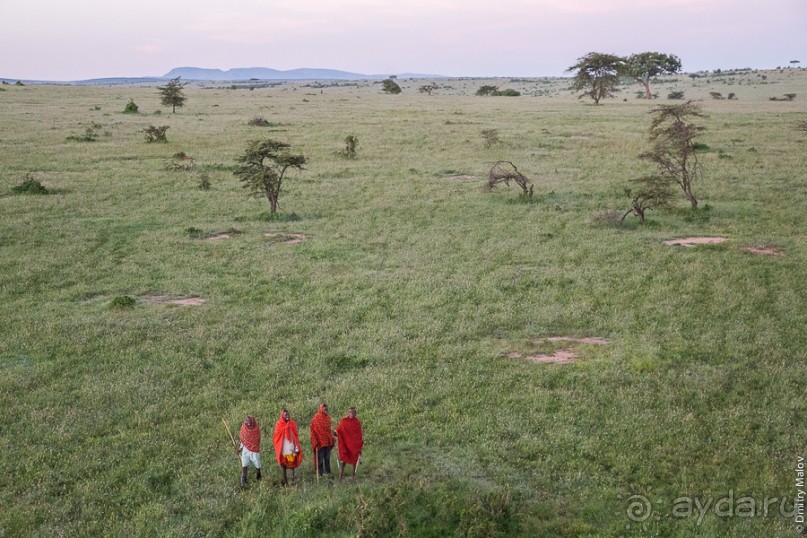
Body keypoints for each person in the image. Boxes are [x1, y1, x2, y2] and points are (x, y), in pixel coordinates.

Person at [273, 408, 302, 485]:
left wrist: (296, 448)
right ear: (282, 416)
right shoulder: (279, 425)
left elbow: (296, 436)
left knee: (292, 466)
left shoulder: (292, 424)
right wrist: (278, 449)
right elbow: (276, 438)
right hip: (283, 450)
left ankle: (292, 481)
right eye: (286, 415)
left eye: (288, 414)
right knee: (284, 467)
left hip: (291, 449)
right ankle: (286, 483)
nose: (287, 416)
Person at [335, 406, 363, 481]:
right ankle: (340, 479)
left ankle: (353, 477)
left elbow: (359, 435)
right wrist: (334, 432)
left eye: (353, 412)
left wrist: (359, 446)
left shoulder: (357, 422)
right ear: (348, 412)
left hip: (354, 445)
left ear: (355, 413)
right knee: (343, 462)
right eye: (350, 412)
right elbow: (338, 430)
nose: (352, 413)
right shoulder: (344, 421)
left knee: (354, 461)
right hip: (345, 445)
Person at [309, 403, 335, 477]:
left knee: (327, 458)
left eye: (326, 408)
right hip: (319, 442)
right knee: (320, 459)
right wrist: (315, 440)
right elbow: (312, 429)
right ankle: (320, 474)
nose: (326, 409)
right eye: (324, 408)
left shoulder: (328, 418)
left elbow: (329, 429)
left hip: (327, 441)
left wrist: (332, 436)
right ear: (321, 409)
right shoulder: (316, 418)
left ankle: (328, 473)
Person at [239, 415, 262, 488]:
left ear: (252, 422)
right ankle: (243, 480)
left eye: (249, 421)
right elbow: (243, 439)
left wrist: (253, 447)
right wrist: (240, 448)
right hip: (245, 450)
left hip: (254, 451)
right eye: (247, 421)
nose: (248, 423)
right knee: (244, 465)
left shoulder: (256, 430)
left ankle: (258, 476)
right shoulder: (244, 428)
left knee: (257, 465)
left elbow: (257, 440)